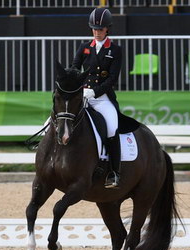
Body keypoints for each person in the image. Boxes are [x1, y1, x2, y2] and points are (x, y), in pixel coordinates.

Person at [71, 7, 122, 189]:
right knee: (59, 119)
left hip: (102, 98)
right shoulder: (84, 48)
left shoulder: (115, 50)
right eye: (94, 29)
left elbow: (112, 79)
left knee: (111, 128)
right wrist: (78, 87)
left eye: (100, 29)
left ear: (107, 29)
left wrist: (95, 92)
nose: (97, 32)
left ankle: (114, 172)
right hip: (83, 96)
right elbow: (75, 69)